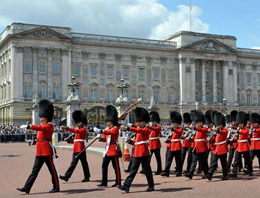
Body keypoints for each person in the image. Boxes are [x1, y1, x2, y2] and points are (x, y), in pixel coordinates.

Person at [17, 99, 60, 194]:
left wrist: (29, 126)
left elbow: (40, 128)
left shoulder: (49, 126)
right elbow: (40, 137)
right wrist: (33, 141)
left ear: (46, 117)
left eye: (42, 117)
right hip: (39, 152)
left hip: (46, 151)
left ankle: (56, 187)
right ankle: (26, 187)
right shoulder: (43, 126)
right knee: (34, 171)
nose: (40, 118)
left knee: (52, 171)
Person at [119, 107, 154, 193]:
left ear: (144, 121)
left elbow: (137, 130)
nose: (137, 123)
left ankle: (151, 186)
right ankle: (126, 186)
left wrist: (127, 128)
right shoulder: (140, 127)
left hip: (143, 152)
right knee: (133, 170)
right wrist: (122, 121)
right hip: (137, 152)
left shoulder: (146, 129)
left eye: (139, 121)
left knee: (147, 170)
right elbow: (136, 140)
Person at [59, 110, 90, 182]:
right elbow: (76, 140)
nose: (78, 124)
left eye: (79, 122)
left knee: (79, 163)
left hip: (80, 149)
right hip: (76, 148)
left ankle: (68, 176)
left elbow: (76, 131)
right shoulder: (79, 129)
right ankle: (86, 176)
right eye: (77, 123)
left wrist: (67, 128)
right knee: (80, 163)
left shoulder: (83, 130)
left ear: (82, 123)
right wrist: (69, 141)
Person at [95, 105, 121, 187]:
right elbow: (105, 140)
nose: (107, 123)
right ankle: (104, 182)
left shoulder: (115, 128)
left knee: (116, 167)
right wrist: (100, 138)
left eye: (108, 121)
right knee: (104, 166)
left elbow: (111, 133)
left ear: (112, 121)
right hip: (107, 150)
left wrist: (101, 131)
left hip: (113, 150)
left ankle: (118, 182)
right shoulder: (108, 129)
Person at [186, 111, 209, 180]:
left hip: (202, 147)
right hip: (196, 147)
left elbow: (200, 130)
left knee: (203, 162)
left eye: (198, 122)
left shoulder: (204, 129)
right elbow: (194, 137)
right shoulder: (196, 130)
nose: (197, 123)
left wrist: (193, 128)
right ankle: (191, 173)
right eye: (197, 122)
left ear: (202, 122)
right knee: (194, 161)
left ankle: (206, 173)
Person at [230, 111, 253, 177]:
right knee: (236, 160)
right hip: (239, 146)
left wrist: (238, 131)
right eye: (239, 123)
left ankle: (250, 171)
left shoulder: (246, 129)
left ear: (244, 123)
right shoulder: (238, 129)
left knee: (247, 159)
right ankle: (234, 172)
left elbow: (245, 132)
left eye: (241, 124)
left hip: (244, 145)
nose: (240, 125)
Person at [206, 112, 229, 181]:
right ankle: (210, 174)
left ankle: (225, 175)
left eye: (219, 124)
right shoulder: (215, 131)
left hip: (222, 148)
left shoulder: (225, 130)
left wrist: (216, 130)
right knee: (213, 161)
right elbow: (213, 138)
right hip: (215, 148)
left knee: (223, 163)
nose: (218, 126)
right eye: (217, 124)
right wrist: (209, 140)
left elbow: (222, 132)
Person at [161, 111, 183, 177]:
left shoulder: (180, 129)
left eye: (175, 123)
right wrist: (167, 140)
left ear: (178, 123)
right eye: (173, 123)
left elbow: (177, 132)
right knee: (168, 159)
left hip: (176, 146)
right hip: (170, 145)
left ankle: (179, 171)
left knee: (178, 160)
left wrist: (171, 128)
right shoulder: (171, 129)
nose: (173, 124)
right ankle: (166, 171)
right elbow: (169, 136)